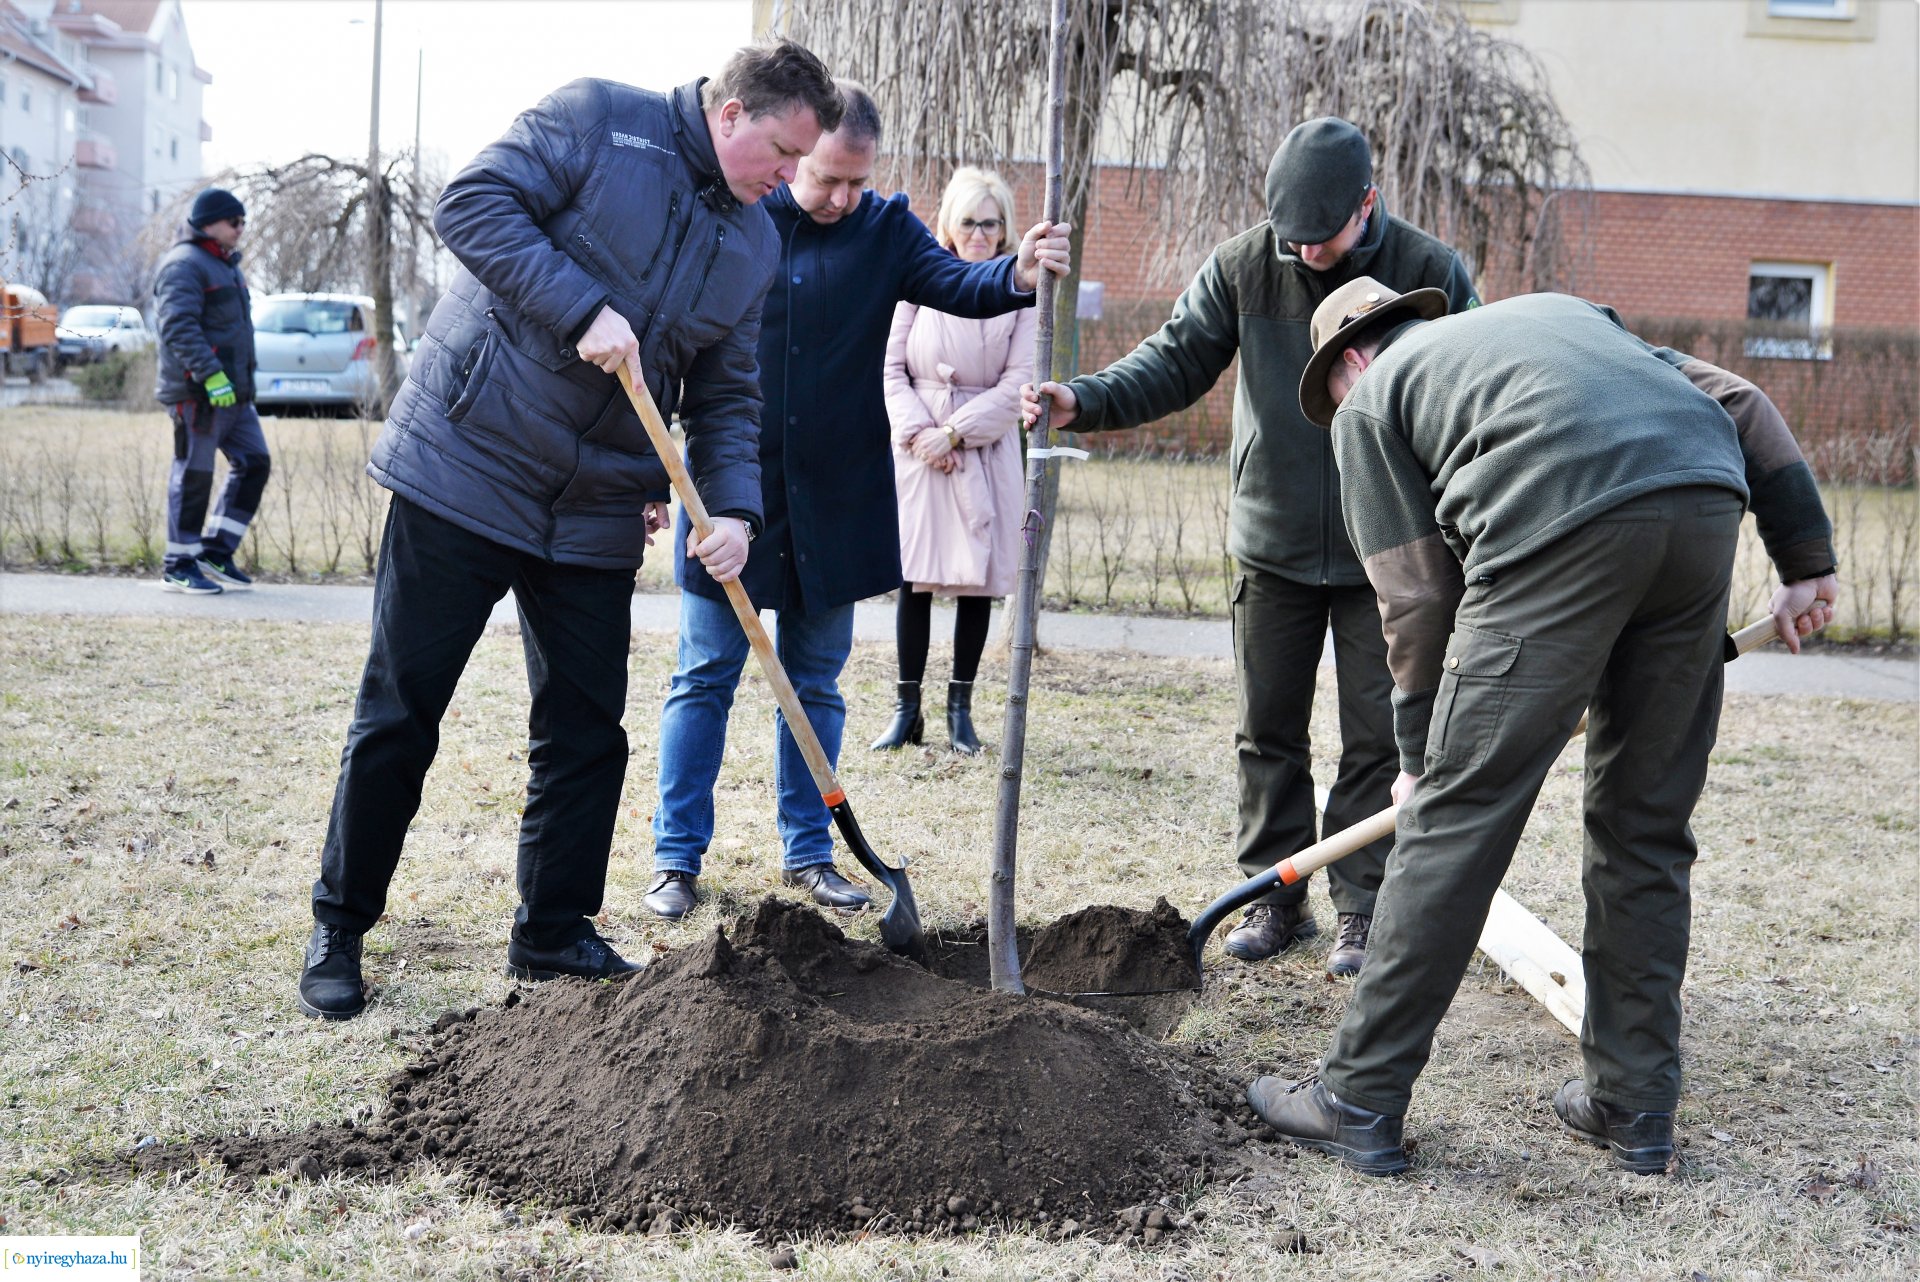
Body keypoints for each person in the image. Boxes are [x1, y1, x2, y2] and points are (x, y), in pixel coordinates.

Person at [297, 41, 844, 1021]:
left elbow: (726, 397)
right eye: (782, 152)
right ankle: (339, 922)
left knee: (588, 731)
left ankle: (552, 934)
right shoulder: (599, 120)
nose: (789, 179)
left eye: (803, 164)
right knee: (401, 709)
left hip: (595, 503)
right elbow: (469, 205)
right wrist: (579, 303)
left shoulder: (755, 242)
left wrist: (735, 513)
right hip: (468, 463)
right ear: (731, 114)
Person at [1245, 277, 1838, 1177]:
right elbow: (1741, 401)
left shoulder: (1370, 402)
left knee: (1455, 824)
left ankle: (1358, 1098)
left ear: (1352, 361)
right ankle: (1634, 1103)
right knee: (1644, 824)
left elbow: (1414, 599)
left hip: (1553, 523)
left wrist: (1423, 765)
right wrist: (1805, 561)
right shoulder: (1560, 315)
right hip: (1701, 507)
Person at [1019, 118, 1477, 975]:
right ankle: (1274, 896)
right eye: (1290, 235)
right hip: (1272, 550)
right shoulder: (1241, 265)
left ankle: (1362, 907)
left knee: (1377, 739)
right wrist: (1082, 401)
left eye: (1323, 235)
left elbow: (1475, 391)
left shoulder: (1429, 273)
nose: (1303, 251)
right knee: (1267, 733)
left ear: (1368, 203)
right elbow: (1174, 361)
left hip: (1390, 555)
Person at [642, 86, 1072, 921]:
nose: (842, 197)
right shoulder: (740, 218)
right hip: (734, 492)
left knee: (816, 685)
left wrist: (1016, 272)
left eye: (856, 180)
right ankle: (675, 860)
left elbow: (959, 281)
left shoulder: (886, 231)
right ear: (795, 154)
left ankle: (807, 854)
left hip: (839, 501)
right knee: (704, 677)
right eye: (826, 178)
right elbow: (675, 348)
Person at [871, 166, 1036, 755]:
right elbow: (889, 366)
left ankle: (960, 710)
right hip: (917, 451)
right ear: (950, 223)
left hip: (981, 450)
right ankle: (905, 708)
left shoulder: (1021, 291)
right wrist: (920, 432)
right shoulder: (918, 277)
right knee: (913, 579)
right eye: (969, 221)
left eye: (991, 224)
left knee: (976, 583)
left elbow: (1021, 381)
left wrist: (956, 433)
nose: (979, 234)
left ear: (1004, 229)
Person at [152, 187, 270, 596]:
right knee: (194, 476)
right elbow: (177, 328)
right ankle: (178, 565)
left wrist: (235, 383)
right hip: (198, 394)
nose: (241, 229)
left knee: (255, 462)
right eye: (234, 221)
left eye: (243, 222)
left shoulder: (226, 266)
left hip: (235, 395)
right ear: (209, 223)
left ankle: (215, 551)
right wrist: (211, 376)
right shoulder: (183, 265)